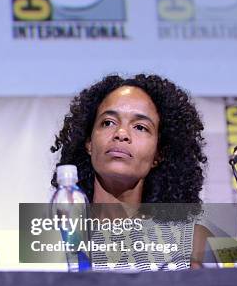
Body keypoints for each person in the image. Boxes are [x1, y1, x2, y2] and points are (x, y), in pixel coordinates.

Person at [51, 74, 211, 270]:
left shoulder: (193, 242)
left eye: (140, 127)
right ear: (89, 143)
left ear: (158, 154)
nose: (121, 134)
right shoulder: (55, 234)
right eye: (108, 122)